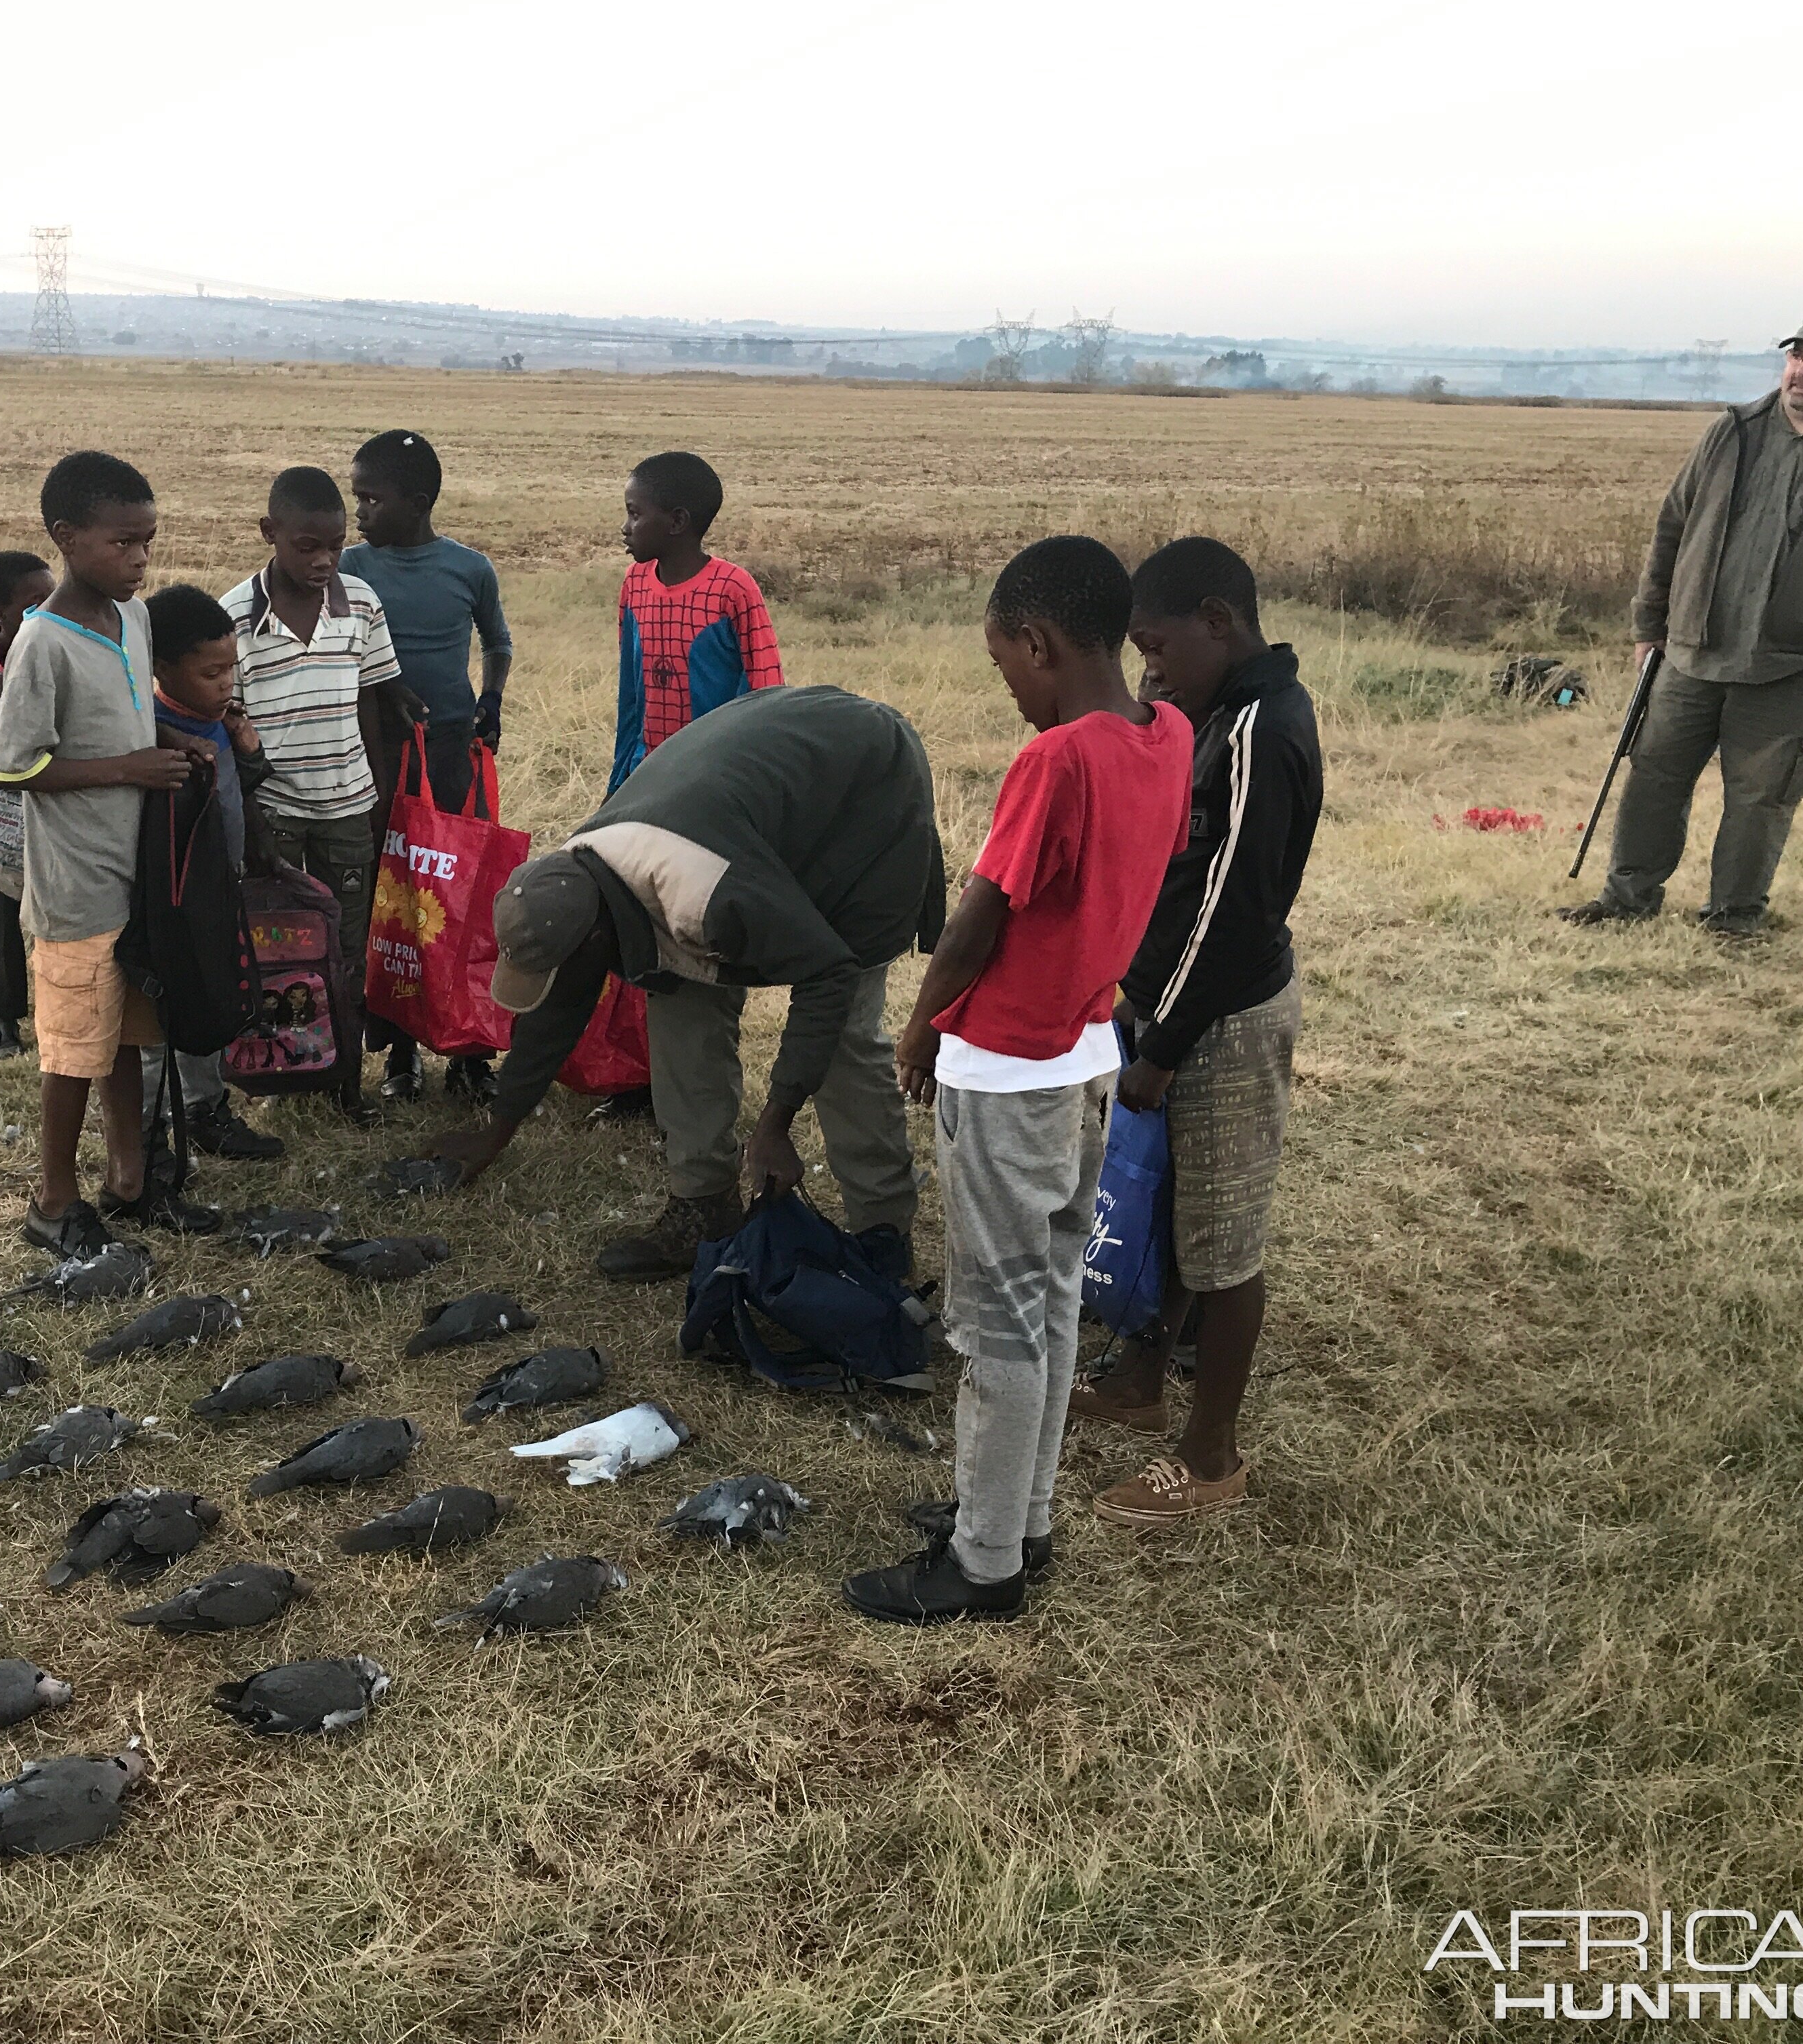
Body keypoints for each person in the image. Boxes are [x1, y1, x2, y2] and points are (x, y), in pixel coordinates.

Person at [843, 538, 1192, 1625]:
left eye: (1005, 667)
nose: (1009, 689)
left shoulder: (1060, 761)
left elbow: (978, 916)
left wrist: (919, 1028)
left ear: (1039, 642)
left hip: (1005, 1074)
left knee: (997, 1324)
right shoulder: (1168, 734)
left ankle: (983, 1564)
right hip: (1089, 1056)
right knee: (1045, 1305)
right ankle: (1020, 1518)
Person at [428, 684, 944, 1282]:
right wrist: (497, 1129)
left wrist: (774, 1123)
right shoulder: (576, 874)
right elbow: (559, 1006)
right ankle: (703, 1207)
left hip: (864, 793)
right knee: (680, 1002)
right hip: (751, 817)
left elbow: (826, 974)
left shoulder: (702, 893)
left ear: (597, 938)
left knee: (846, 1039)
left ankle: (883, 1236)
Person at [1069, 538, 1322, 1529]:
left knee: (1223, 1243)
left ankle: (1210, 1456)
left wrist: (1164, 1044)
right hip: (1170, 1004)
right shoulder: (1214, 712)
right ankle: (1139, 1380)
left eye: (1158, 646)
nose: (1150, 669)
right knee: (1171, 1206)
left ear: (1218, 621)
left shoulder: (1262, 727)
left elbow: (1234, 912)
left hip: (1222, 1020)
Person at [1563, 306, 1803, 937]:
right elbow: (1673, 528)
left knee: (1761, 797)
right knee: (1654, 774)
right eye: (1796, 355)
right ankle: (1627, 899)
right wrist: (1650, 625)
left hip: (1795, 663)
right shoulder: (1733, 431)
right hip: (1691, 650)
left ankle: (1734, 916)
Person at [0, 452, 195, 1259]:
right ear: (67, 539)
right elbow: (13, 765)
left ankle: (131, 1178)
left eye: (148, 542)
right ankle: (53, 1199)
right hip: (74, 887)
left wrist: (171, 742)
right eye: (123, 544)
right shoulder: (44, 642)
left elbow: (132, 719)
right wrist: (130, 769)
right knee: (73, 1050)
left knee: (127, 1036)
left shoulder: (131, 618)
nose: (140, 560)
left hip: (134, 871)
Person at [222, 467, 408, 1099]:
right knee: (275, 948)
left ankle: (343, 1079)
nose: (325, 560)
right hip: (272, 810)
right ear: (270, 533)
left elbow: (371, 707)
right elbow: (232, 729)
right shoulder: (235, 617)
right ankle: (282, 1065)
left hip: (349, 807)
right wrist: (250, 823)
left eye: (335, 545)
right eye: (308, 547)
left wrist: (379, 804)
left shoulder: (361, 603)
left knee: (347, 950)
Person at [342, 428, 514, 1103]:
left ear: (417, 503)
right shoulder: (353, 565)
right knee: (398, 900)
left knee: (465, 897)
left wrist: (492, 698)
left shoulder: (468, 569)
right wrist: (387, 693)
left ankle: (470, 1050)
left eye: (371, 499)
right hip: (381, 759)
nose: (360, 512)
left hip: (449, 754)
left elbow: (497, 643)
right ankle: (399, 1052)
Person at [141, 583, 285, 1169]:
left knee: (211, 994)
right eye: (210, 672)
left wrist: (248, 750)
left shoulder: (220, 718)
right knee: (157, 1021)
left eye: (231, 669)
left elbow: (235, 790)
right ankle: (148, 1133)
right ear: (162, 668)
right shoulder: (147, 728)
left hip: (218, 887)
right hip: (170, 896)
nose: (226, 683)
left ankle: (205, 1109)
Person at [612, 450, 781, 792]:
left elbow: (765, 694)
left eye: (635, 514)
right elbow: (630, 696)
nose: (625, 528)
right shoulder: (635, 583)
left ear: (677, 522)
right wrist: (618, 785)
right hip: (647, 772)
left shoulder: (733, 589)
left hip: (715, 779)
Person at [0, 549, 53, 1062]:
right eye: (33, 603)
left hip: (56, 787)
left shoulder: (59, 644)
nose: (46, 611)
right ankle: (4, 1018)